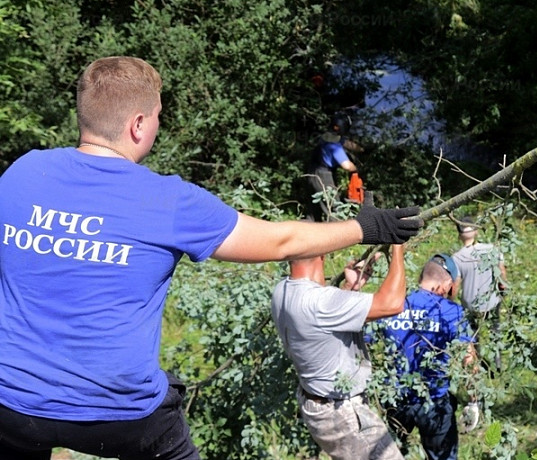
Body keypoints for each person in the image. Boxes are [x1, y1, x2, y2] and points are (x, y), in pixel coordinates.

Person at [0, 56, 422, 460]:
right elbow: (279, 241)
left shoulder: (22, 172)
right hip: (118, 413)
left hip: (11, 404)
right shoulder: (165, 199)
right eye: (159, 116)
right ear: (138, 124)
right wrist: (368, 228)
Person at [271, 245, 406, 460]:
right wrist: (398, 247)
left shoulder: (282, 291)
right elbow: (393, 303)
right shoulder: (321, 302)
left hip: (317, 406)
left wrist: (351, 288)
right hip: (342, 412)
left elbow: (323, 324)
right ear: (323, 254)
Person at [382, 254, 476, 460]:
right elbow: (468, 359)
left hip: (394, 400)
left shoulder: (392, 305)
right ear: (447, 284)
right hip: (434, 401)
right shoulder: (452, 312)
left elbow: (368, 341)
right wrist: (473, 401)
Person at [306, 112, 365, 221]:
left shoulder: (326, 137)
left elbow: (346, 143)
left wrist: (362, 149)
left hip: (312, 172)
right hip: (323, 176)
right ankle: (339, 236)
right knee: (335, 208)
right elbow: (347, 166)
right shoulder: (335, 147)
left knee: (313, 213)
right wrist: (356, 168)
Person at [451, 217, 507, 314]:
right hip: (491, 301)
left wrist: (449, 302)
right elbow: (501, 273)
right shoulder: (492, 250)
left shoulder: (456, 258)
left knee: (471, 328)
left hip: (469, 305)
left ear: (459, 236)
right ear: (476, 232)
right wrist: (503, 289)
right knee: (495, 325)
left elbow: (455, 286)